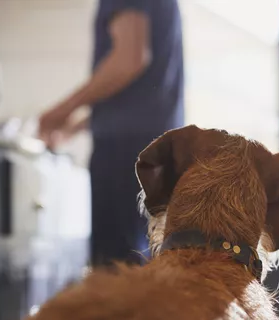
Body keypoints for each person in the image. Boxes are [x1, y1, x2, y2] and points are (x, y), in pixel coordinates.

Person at [38, 0, 184, 267]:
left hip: (125, 152)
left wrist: (62, 110)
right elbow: (144, 91)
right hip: (154, 146)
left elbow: (129, 59)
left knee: (118, 266)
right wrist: (76, 126)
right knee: (145, 259)